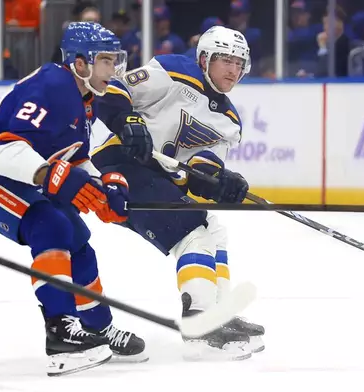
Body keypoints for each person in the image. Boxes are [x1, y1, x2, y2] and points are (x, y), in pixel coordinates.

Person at [0, 22, 149, 376]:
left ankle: (96, 328)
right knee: (51, 225)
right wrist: (52, 176)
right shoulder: (53, 84)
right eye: (105, 60)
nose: (114, 70)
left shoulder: (86, 101)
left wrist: (105, 189)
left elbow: (75, 159)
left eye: (116, 60)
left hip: (16, 178)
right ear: (80, 64)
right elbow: (4, 151)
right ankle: (60, 333)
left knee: (79, 241)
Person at [89, 25, 264, 361]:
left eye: (239, 63)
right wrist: (129, 121)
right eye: (225, 59)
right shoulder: (174, 71)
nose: (233, 69)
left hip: (158, 179)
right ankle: (200, 327)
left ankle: (218, 312)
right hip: (120, 165)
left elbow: (201, 169)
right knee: (193, 232)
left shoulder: (229, 121)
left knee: (214, 228)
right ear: (204, 59)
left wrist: (222, 182)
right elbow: (113, 91)